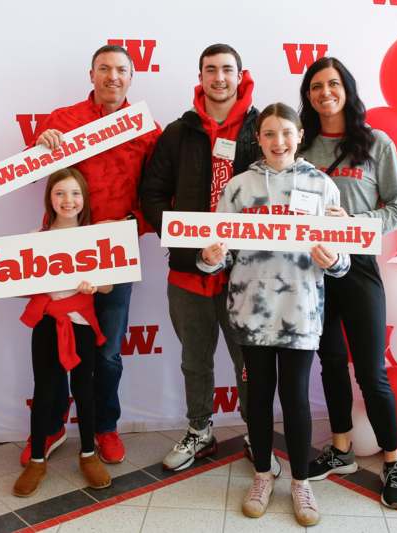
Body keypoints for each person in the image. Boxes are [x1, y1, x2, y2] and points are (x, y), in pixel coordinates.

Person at [200, 102, 349, 526]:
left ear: (300, 135)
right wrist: (210, 258)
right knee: (260, 397)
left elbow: (342, 263)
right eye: (269, 134)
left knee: (296, 397)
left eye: (286, 132)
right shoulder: (239, 188)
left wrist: (334, 257)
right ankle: (263, 475)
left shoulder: (322, 187)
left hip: (300, 310)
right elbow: (217, 255)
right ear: (258, 139)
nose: (278, 141)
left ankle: (301, 482)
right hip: (251, 311)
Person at [140, 44, 279, 475]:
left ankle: (257, 434)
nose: (219, 78)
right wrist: (190, 242)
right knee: (194, 359)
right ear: (200, 76)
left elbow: (281, 193)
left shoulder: (264, 129)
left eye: (227, 70)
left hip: (248, 274)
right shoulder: (178, 134)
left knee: (249, 361)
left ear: (241, 75)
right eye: (210, 70)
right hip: (188, 271)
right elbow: (152, 194)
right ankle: (200, 431)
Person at [21, 44, 160, 466]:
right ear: (91, 73)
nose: (112, 76)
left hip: (115, 250)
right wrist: (38, 145)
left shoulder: (147, 129)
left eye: (121, 70)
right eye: (104, 69)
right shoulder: (61, 121)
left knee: (108, 352)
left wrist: (131, 225)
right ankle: (52, 427)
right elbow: (33, 174)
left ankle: (104, 426)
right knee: (55, 348)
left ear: (132, 77)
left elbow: (157, 193)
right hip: (62, 252)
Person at [297, 56, 397, 509]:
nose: (325, 92)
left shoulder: (375, 143)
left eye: (333, 84)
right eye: (315, 86)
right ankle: (341, 448)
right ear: (307, 96)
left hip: (360, 267)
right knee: (329, 361)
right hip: (315, 269)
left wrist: (356, 223)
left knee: (370, 371)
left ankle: (393, 459)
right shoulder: (301, 147)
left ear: (346, 88)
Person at [0, 168, 112, 497]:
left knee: (85, 390)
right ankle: (37, 459)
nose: (68, 200)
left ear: (84, 199)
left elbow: (107, 286)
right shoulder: (34, 238)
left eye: (75, 193)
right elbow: (19, 282)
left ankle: (88, 455)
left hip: (80, 323)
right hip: (47, 325)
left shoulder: (96, 237)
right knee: (46, 391)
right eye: (60, 194)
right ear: (49, 199)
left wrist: (94, 284)